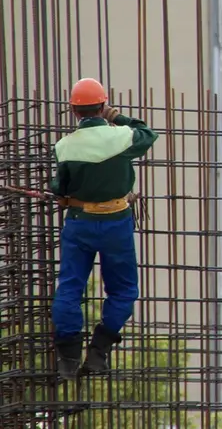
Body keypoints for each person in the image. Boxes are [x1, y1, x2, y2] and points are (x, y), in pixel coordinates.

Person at [50, 78, 159, 379]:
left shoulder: (64, 146)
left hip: (79, 222)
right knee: (124, 290)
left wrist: (62, 194)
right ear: (103, 105)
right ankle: (98, 351)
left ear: (73, 111)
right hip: (116, 223)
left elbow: (61, 186)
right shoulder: (122, 137)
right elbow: (148, 133)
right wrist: (117, 116)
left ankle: (68, 358)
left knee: (70, 288)